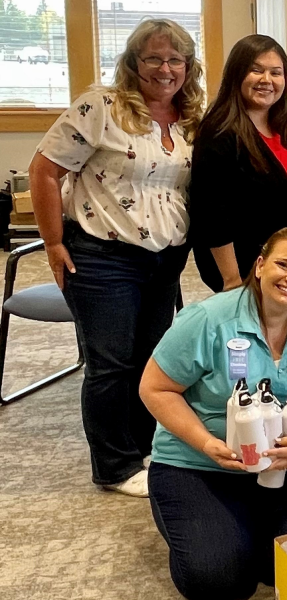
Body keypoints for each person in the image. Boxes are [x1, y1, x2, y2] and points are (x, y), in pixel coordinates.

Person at [28, 19, 204, 498]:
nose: (165, 69)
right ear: (133, 62)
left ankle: (145, 447)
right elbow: (43, 172)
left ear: (188, 67)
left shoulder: (191, 117)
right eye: (153, 58)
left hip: (165, 259)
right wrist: (52, 241)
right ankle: (114, 465)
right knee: (111, 363)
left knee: (152, 360)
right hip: (102, 256)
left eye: (175, 60)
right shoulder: (100, 107)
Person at [140, 228, 287, 600]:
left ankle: (243, 532)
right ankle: (207, 532)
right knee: (221, 579)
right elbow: (154, 389)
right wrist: (207, 444)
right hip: (200, 465)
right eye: (283, 265)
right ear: (259, 266)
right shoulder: (207, 319)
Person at [189, 34, 287, 293]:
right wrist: (231, 280)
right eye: (256, 70)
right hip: (248, 266)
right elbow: (211, 214)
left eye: (276, 73)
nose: (266, 80)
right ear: (237, 75)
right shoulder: (218, 133)